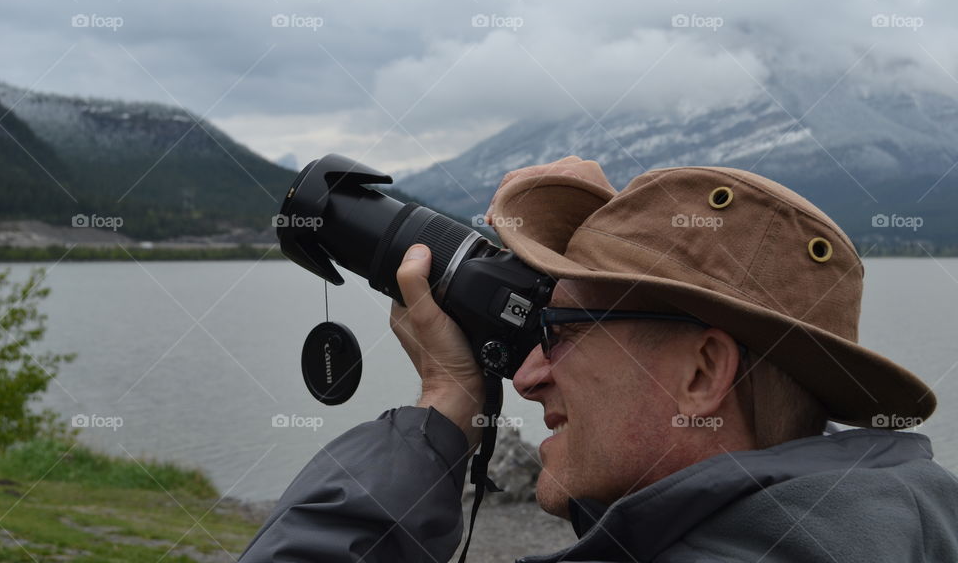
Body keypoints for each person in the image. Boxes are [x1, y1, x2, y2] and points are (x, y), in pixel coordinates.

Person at [239, 156, 958, 562]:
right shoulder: (901, 528)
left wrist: (443, 409)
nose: (525, 374)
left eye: (562, 331)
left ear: (702, 374)